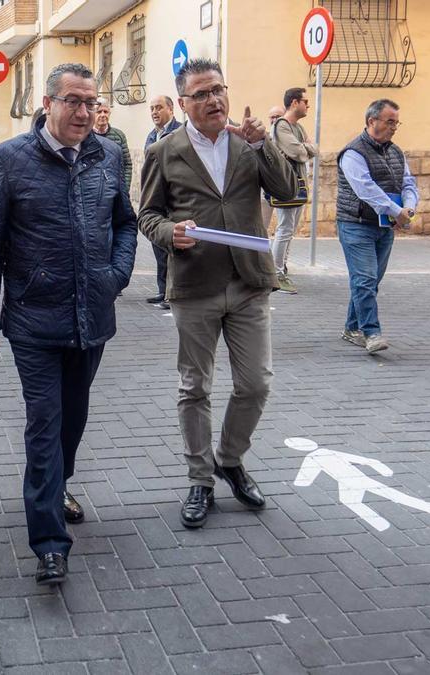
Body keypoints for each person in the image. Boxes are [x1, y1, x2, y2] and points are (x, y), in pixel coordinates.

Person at [0, 63, 137, 586]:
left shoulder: (108, 155)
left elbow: (125, 222)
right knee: (44, 423)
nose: (84, 112)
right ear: (48, 103)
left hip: (93, 316)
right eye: (73, 101)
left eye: (91, 102)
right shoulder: (10, 159)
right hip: (33, 318)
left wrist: (116, 274)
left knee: (73, 418)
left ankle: (57, 484)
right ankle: (48, 543)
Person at [137, 58, 296, 529]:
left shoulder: (248, 146)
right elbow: (147, 215)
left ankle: (230, 458)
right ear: (183, 103)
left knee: (256, 383)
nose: (213, 100)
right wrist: (170, 233)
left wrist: (263, 143)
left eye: (218, 90)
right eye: (202, 94)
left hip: (248, 282)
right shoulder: (165, 151)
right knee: (195, 387)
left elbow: (287, 191)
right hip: (194, 285)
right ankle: (200, 479)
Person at [336, 98, 418, 355]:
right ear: (372, 121)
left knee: (370, 282)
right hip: (355, 224)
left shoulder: (396, 152)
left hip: (384, 226)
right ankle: (371, 333)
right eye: (390, 121)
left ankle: (352, 328)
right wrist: (397, 212)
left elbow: (408, 183)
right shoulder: (353, 153)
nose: (394, 127)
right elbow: (366, 190)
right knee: (365, 279)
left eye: (396, 122)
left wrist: (409, 209)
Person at [269, 88, 317, 295]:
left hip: (298, 185)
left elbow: (313, 149)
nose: (308, 105)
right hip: (286, 184)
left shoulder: (298, 127)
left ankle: (280, 270)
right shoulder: (282, 126)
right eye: (305, 101)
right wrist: (305, 148)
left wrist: (306, 149)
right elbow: (298, 151)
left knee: (289, 231)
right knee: (284, 229)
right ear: (295, 102)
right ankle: (275, 273)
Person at [144, 95, 182, 309]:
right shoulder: (151, 136)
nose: (154, 112)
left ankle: (171, 293)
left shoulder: (178, 132)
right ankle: (162, 290)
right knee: (158, 248)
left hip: (172, 200)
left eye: (158, 107)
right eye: (151, 108)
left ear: (171, 109)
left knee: (171, 250)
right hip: (156, 199)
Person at [92, 99, 132, 191]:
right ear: (93, 114)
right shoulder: (85, 136)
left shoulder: (119, 136)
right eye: (99, 112)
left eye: (105, 112)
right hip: (93, 190)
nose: (103, 115)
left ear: (109, 114)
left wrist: (124, 189)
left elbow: (127, 164)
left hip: (114, 189)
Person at [260, 105, 286, 232]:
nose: (275, 119)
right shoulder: (264, 137)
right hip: (265, 190)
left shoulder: (289, 138)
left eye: (278, 116)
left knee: (285, 228)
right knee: (262, 226)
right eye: (272, 117)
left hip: (284, 187)